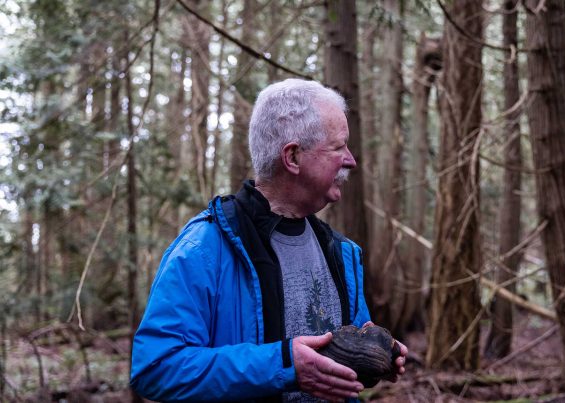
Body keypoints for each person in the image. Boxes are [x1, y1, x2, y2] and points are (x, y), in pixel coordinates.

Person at [130, 79, 407, 402]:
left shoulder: (342, 253)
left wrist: (374, 356)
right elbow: (156, 368)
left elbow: (341, 373)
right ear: (292, 157)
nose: (350, 160)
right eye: (338, 147)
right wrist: (282, 365)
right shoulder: (205, 248)